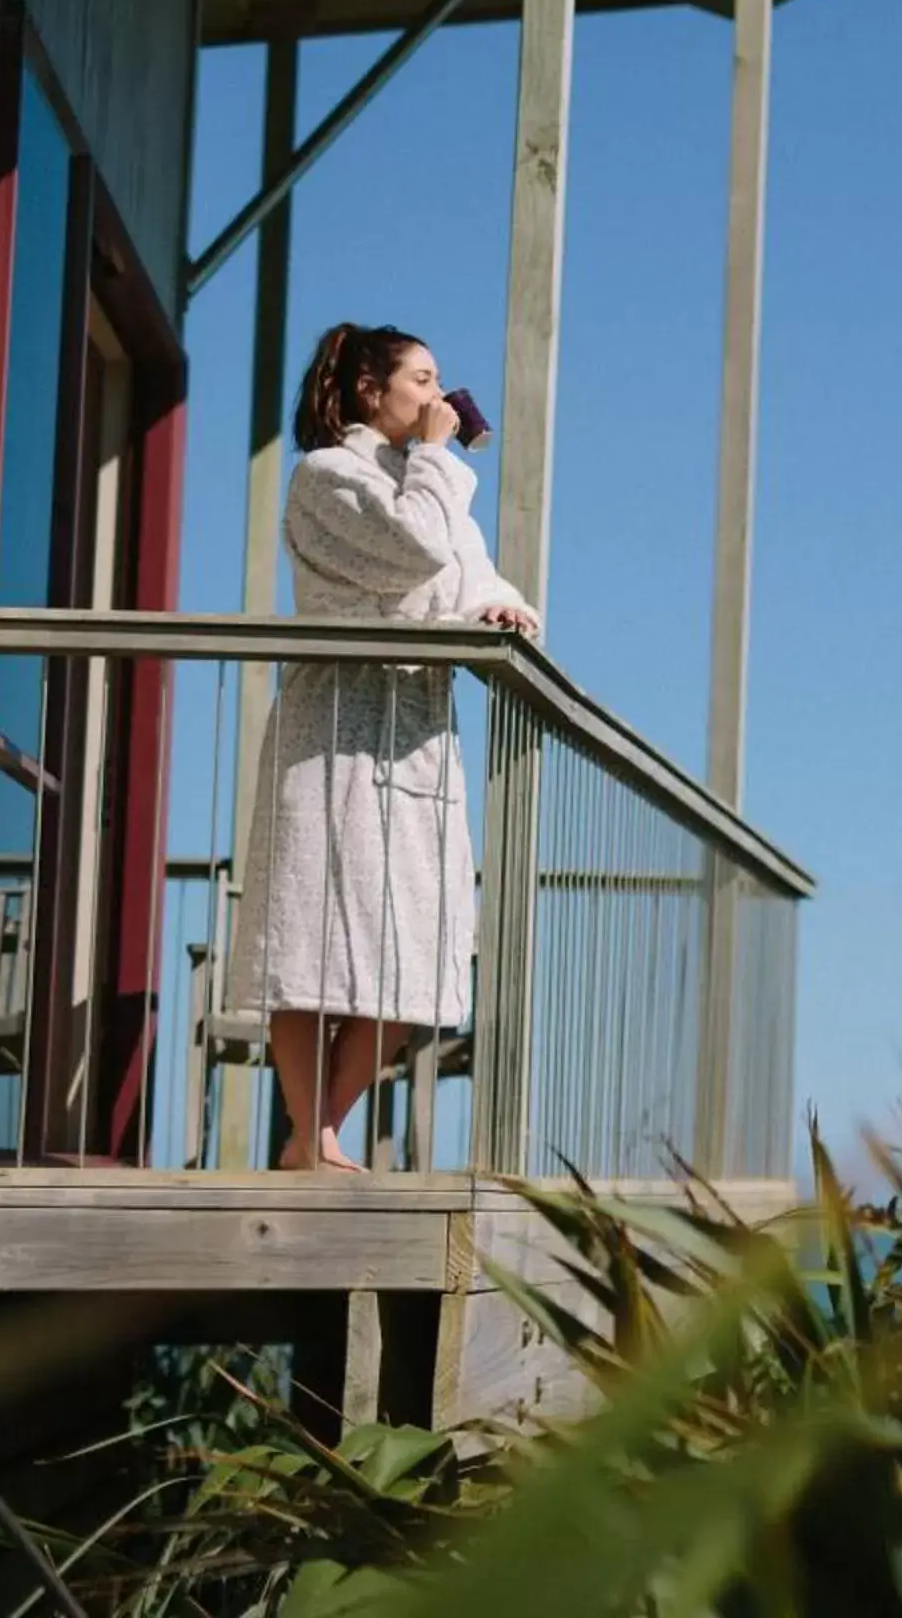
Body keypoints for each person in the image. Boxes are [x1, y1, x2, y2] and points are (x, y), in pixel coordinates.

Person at [227, 322, 538, 1172]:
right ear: (372, 391)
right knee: (310, 938)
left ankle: (312, 1132)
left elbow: (467, 569)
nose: (438, 398)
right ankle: (315, 1133)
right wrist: (440, 460)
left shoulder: (425, 480)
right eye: (423, 379)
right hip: (334, 727)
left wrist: (501, 606)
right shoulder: (326, 477)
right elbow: (415, 550)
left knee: (419, 947)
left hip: (417, 738)